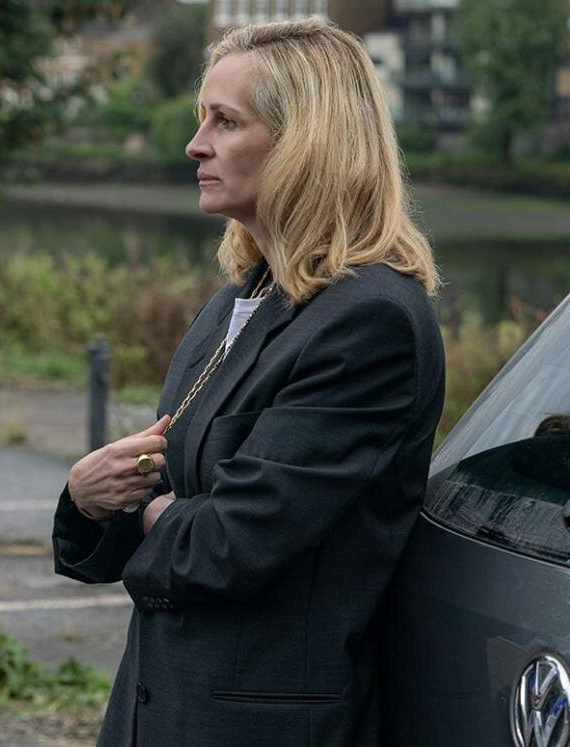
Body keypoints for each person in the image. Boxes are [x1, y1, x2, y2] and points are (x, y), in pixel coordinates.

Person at [52, 19, 444, 746]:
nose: (195, 144)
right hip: (160, 713)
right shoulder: (244, 296)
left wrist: (148, 510)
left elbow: (233, 544)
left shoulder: (369, 320)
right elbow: (174, 489)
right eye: (202, 117)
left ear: (305, 144)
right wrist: (88, 498)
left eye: (225, 122)